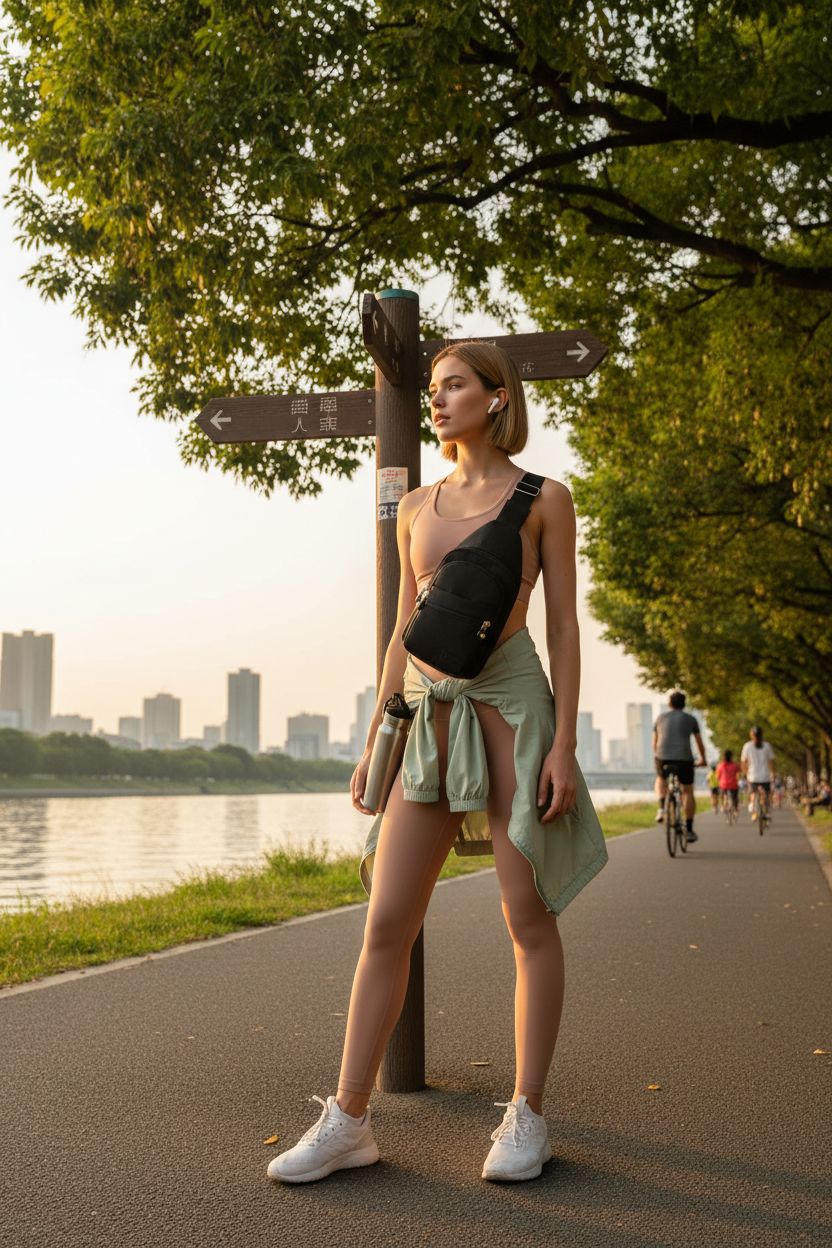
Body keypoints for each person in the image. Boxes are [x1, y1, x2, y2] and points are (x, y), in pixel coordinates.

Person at [267, 341, 607, 1185]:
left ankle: (527, 1115)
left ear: (497, 398)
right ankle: (350, 1120)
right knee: (387, 920)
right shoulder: (415, 506)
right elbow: (403, 628)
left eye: (455, 385)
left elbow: (563, 627)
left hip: (513, 707)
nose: (438, 398)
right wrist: (375, 739)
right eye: (434, 386)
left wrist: (564, 743)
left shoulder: (545, 499)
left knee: (527, 918)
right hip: (424, 714)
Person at [653, 692, 707, 842]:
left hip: (663, 757)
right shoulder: (691, 719)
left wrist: (659, 756)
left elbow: (654, 744)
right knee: (687, 791)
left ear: (669, 703)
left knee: (660, 778)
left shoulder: (660, 718)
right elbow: (699, 743)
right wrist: (703, 760)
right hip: (684, 759)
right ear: (684, 704)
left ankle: (661, 808)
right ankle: (689, 830)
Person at [741, 726, 776, 821]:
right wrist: (773, 773)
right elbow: (771, 762)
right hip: (765, 776)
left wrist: (745, 773)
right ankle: (766, 811)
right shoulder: (767, 746)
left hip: (753, 776)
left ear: (751, 735)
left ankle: (754, 811)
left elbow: (743, 762)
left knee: (753, 794)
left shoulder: (747, 746)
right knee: (766, 795)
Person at [716, 748, 740, 816]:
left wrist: (719, 780)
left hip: (723, 785)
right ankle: (736, 809)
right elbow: (738, 773)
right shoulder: (734, 765)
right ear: (731, 756)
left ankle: (722, 806)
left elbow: (717, 777)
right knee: (735, 797)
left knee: (721, 795)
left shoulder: (720, 765)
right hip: (733, 785)